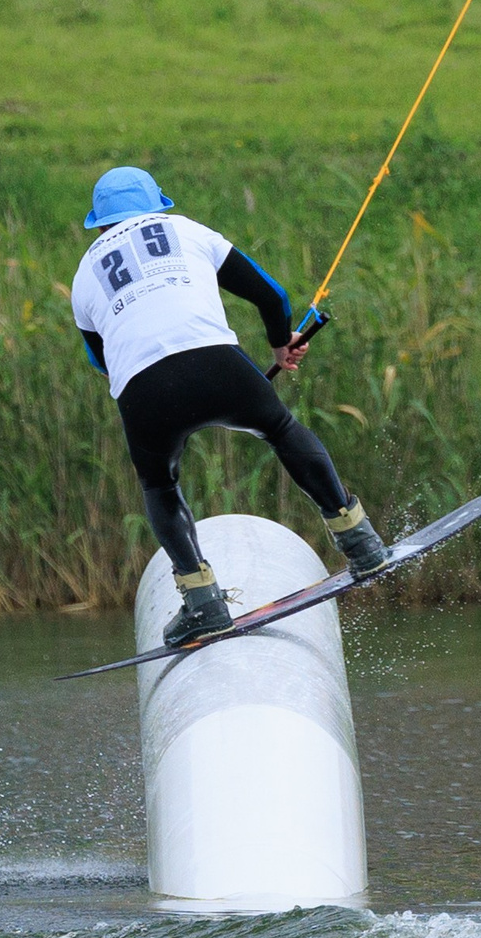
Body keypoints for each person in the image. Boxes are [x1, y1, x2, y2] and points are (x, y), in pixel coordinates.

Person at [70, 166, 387, 647]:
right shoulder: (185, 229)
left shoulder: (83, 275)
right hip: (218, 364)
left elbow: (102, 362)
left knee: (159, 483)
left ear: (101, 223)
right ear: (157, 204)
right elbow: (271, 295)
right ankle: (360, 541)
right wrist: (282, 345)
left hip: (142, 389)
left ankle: (203, 603)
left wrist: (154, 385)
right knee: (280, 429)